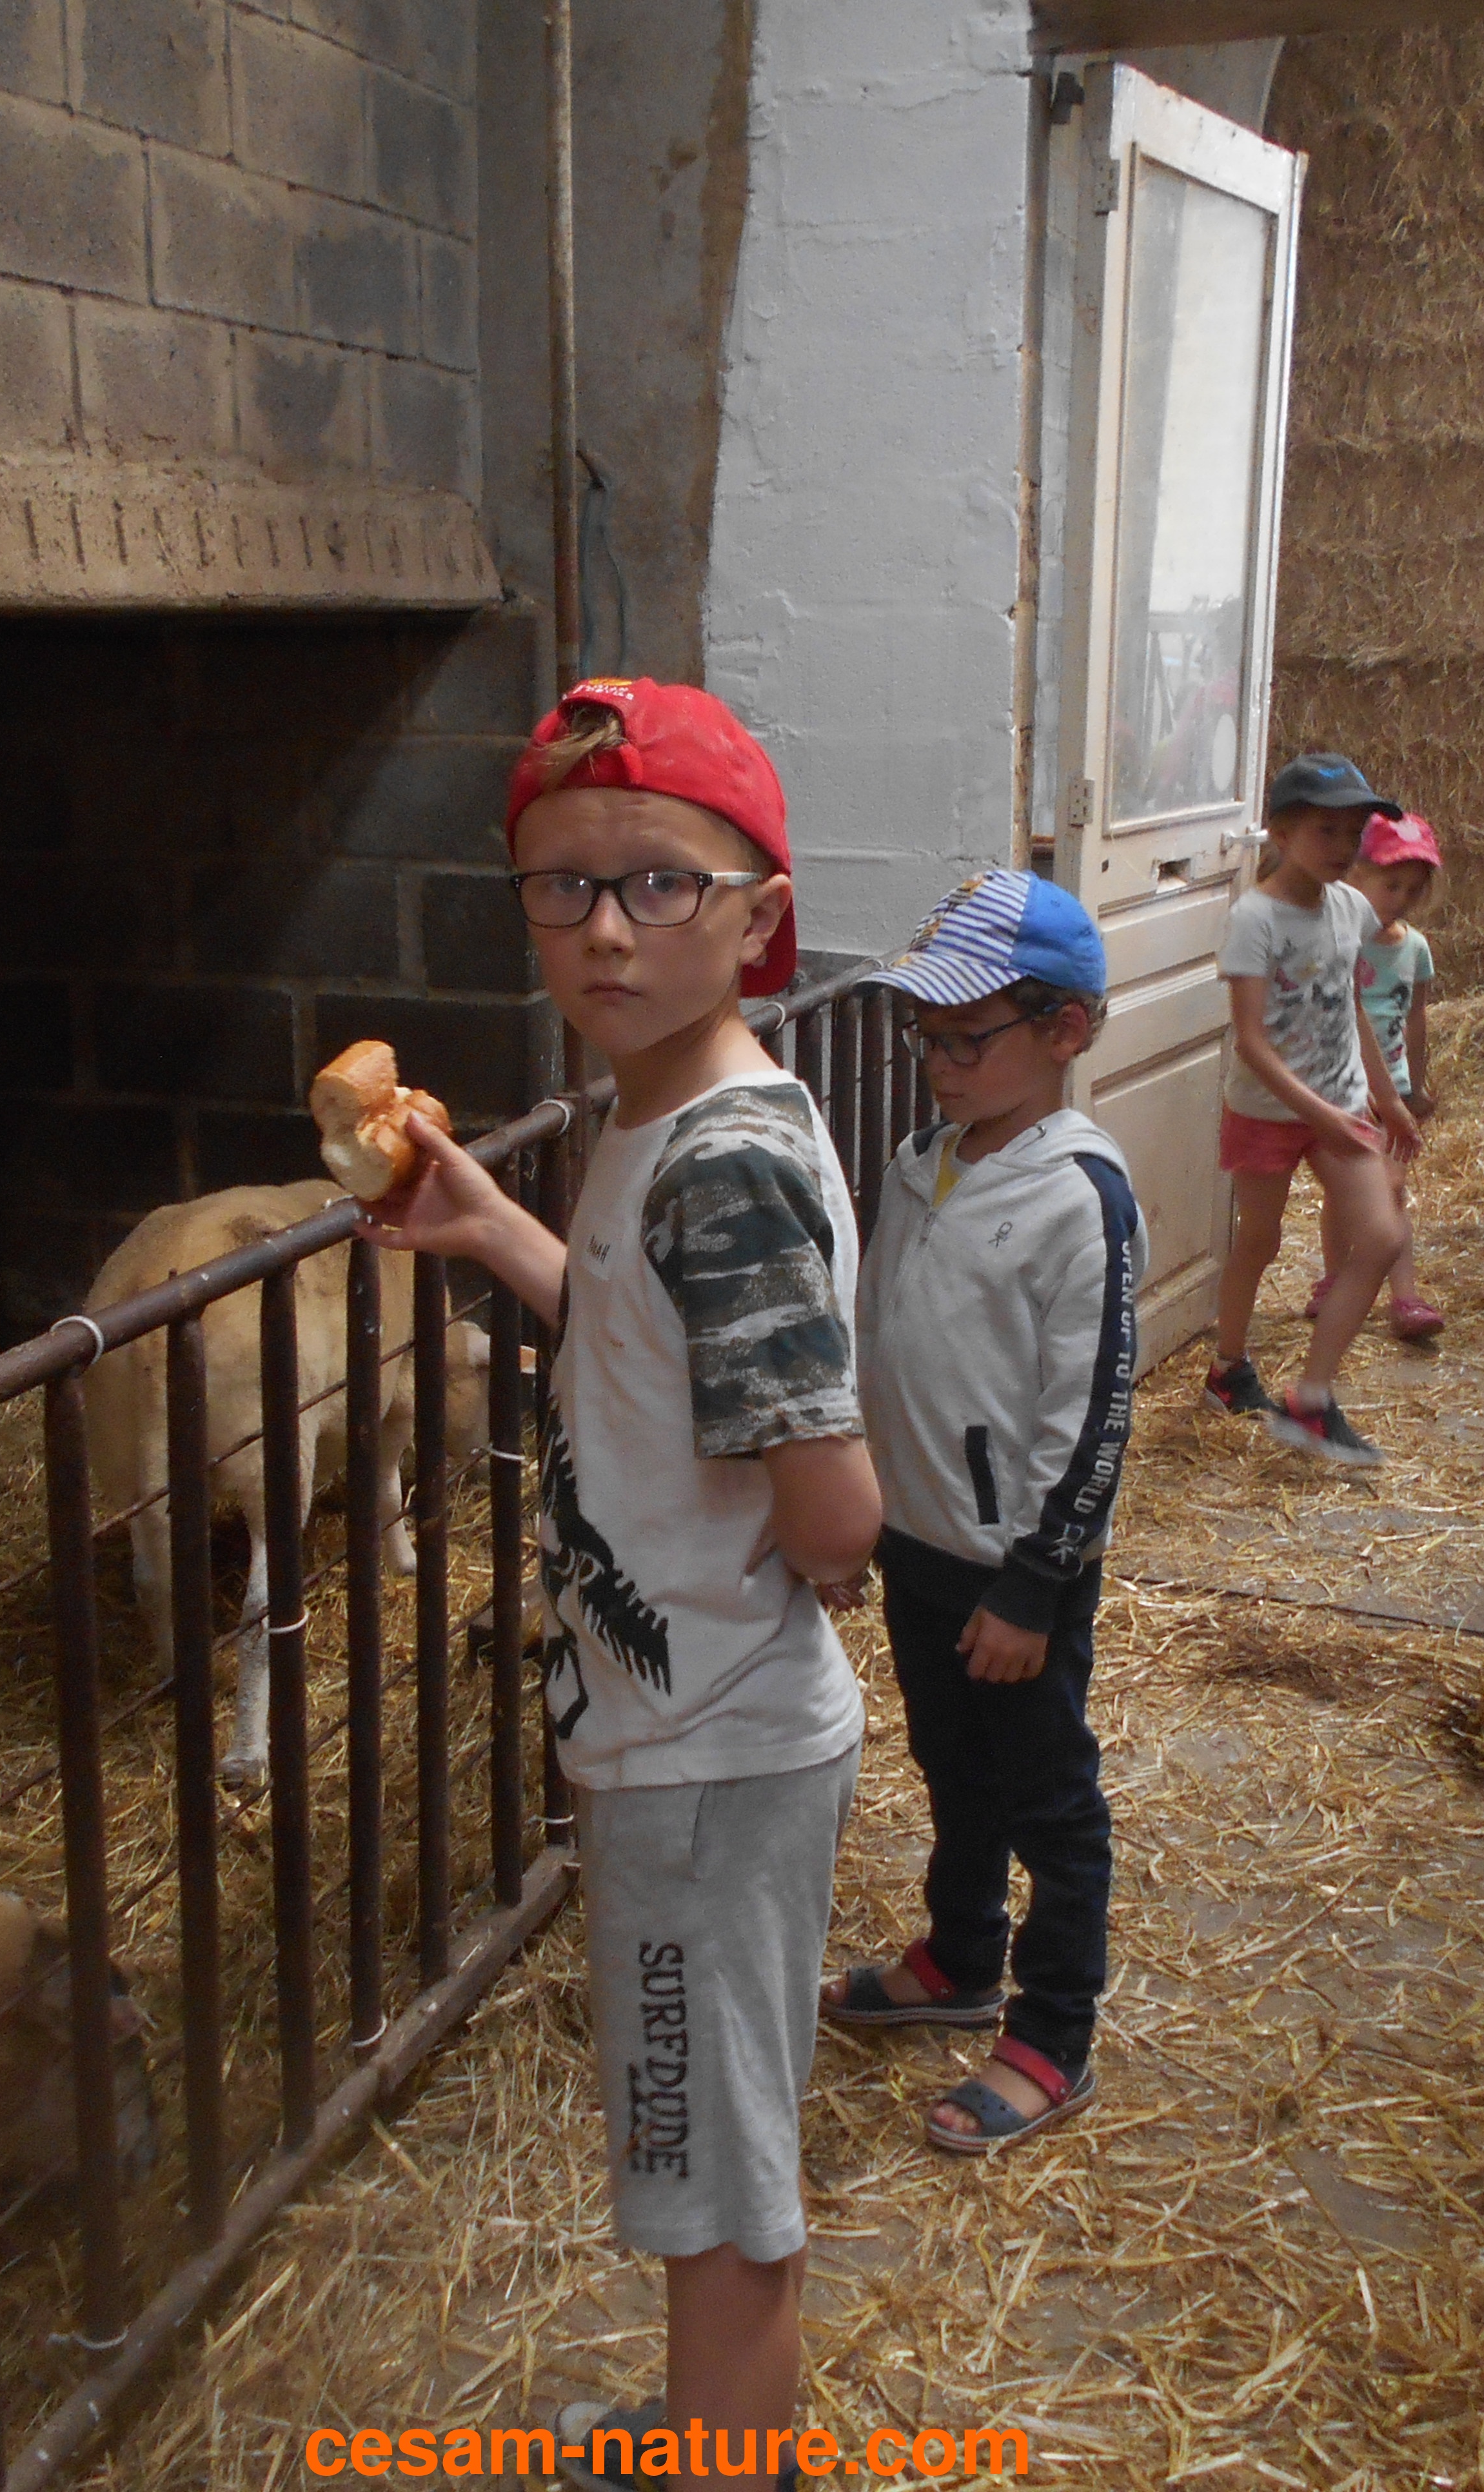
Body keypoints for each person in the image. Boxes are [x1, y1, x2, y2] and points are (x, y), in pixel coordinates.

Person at [361, 677, 875, 2492]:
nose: (604, 929)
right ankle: (709, 2432)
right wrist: (489, 1226)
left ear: (760, 911)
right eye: (563, 886)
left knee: (709, 2175)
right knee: (702, 2139)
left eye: (661, 884)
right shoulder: (669, 1114)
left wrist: (801, 1552)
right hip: (687, 1732)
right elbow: (654, 1350)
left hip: (710, 1748)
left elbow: (837, 1512)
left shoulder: (719, 1166)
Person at [816, 869, 1142, 2157]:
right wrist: (860, 1513)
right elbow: (886, 1347)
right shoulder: (921, 1165)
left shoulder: (1080, 1193)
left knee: (1048, 1799)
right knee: (950, 1764)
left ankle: (1053, 2031)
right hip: (920, 1542)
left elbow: (1095, 1411)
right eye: (927, 1038)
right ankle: (960, 1956)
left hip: (1015, 1570)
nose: (939, 1065)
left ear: (1065, 1030)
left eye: (967, 1039)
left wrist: (1034, 1583)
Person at [1198, 753, 1423, 1467]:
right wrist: (1317, 1114)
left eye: (1354, 833)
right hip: (1267, 1110)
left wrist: (1388, 1099)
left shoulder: (1350, 907)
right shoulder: (1255, 918)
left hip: (1343, 1104)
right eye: (1327, 830)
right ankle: (1228, 1368)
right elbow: (1252, 1042)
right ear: (1282, 833)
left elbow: (1350, 1006)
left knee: (1381, 1237)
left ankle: (1313, 1400)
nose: (1344, 846)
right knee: (1259, 1242)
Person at [1318, 813, 1444, 1343]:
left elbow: (1415, 1017)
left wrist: (1413, 1084)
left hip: (1392, 1086)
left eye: (1413, 890)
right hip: (1346, 1088)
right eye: (1391, 885)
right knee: (1345, 1191)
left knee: (1392, 1188)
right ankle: (1334, 1278)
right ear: (1355, 874)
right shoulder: (1340, 939)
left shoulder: (1414, 948)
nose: (1401, 898)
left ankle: (1404, 1296)